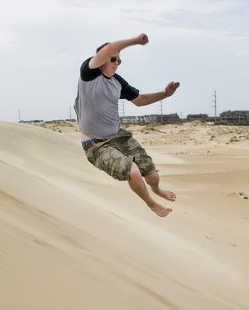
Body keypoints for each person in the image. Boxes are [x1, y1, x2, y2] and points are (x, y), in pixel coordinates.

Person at [74, 33, 180, 217]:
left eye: (119, 61)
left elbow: (139, 100)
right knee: (134, 172)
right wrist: (135, 41)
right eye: (112, 59)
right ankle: (151, 204)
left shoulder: (117, 82)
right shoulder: (89, 74)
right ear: (100, 60)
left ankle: (156, 190)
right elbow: (108, 49)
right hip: (96, 145)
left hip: (118, 136)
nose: (116, 62)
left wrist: (165, 94)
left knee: (152, 175)